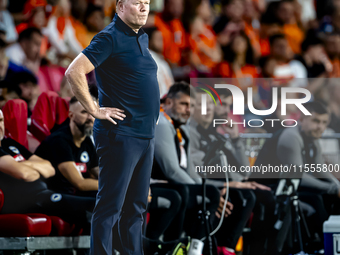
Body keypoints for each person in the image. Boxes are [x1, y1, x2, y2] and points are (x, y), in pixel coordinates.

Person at [65, 0, 160, 253]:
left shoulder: (141, 37)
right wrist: (94, 110)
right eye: (137, 2)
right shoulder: (110, 37)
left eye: (147, 3)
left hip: (145, 135)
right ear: (119, 7)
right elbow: (74, 71)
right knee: (110, 208)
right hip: (121, 134)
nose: (144, 8)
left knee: (137, 209)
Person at [0, 109, 95, 233]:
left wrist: (21, 165)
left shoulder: (9, 144)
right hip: (24, 201)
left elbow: (49, 168)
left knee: (94, 208)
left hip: (42, 196)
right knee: (92, 207)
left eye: (1, 120)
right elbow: (25, 174)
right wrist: (28, 168)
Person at [35, 96, 99, 197]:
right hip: (52, 196)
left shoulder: (86, 140)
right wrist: (113, 185)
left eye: (93, 112)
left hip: (74, 195)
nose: (90, 117)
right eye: (84, 112)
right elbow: (80, 183)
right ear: (71, 115)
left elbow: (99, 171)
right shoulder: (59, 140)